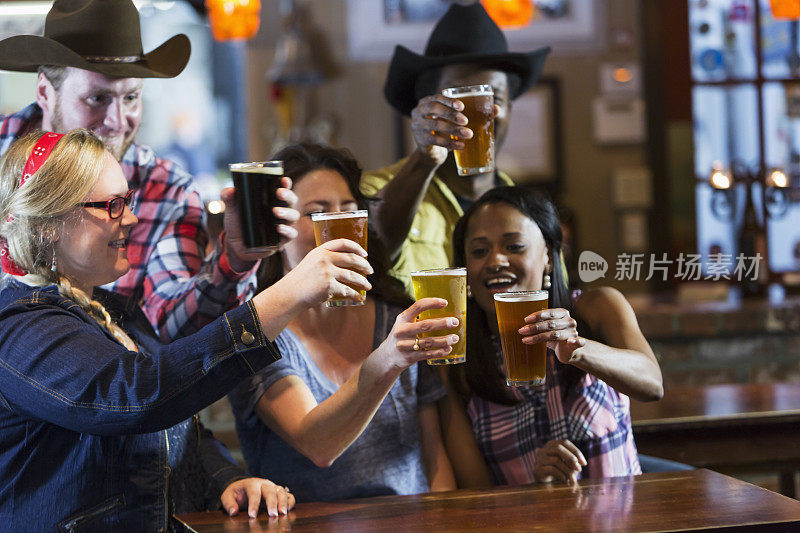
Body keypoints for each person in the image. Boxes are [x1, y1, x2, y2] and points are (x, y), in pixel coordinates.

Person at [0, 130, 372, 530]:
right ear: (47, 225)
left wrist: (227, 480)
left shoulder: (113, 312)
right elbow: (137, 397)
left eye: (128, 201)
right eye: (111, 205)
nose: (131, 218)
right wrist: (287, 294)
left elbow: (180, 429)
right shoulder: (21, 328)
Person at [0, 0, 294, 341]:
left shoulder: (166, 189)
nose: (118, 122)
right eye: (97, 98)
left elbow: (173, 326)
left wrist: (235, 261)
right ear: (44, 93)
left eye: (131, 98)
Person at [229, 143, 463, 502]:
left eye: (349, 210)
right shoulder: (258, 333)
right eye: (315, 212)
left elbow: (434, 458)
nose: (337, 225)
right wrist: (389, 359)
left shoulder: (394, 315)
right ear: (280, 228)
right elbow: (317, 443)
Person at [442, 186, 664, 485]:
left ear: (548, 254)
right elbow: (476, 497)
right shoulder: (457, 359)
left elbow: (652, 384)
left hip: (622, 522)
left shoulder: (597, 308)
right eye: (480, 251)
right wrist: (536, 486)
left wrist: (578, 349)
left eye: (514, 246)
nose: (495, 261)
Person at [361, 2, 550, 292]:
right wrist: (425, 159)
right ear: (425, 108)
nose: (476, 113)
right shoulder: (378, 190)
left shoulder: (526, 211)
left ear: (510, 109)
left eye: (493, 97)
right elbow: (373, 250)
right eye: (453, 99)